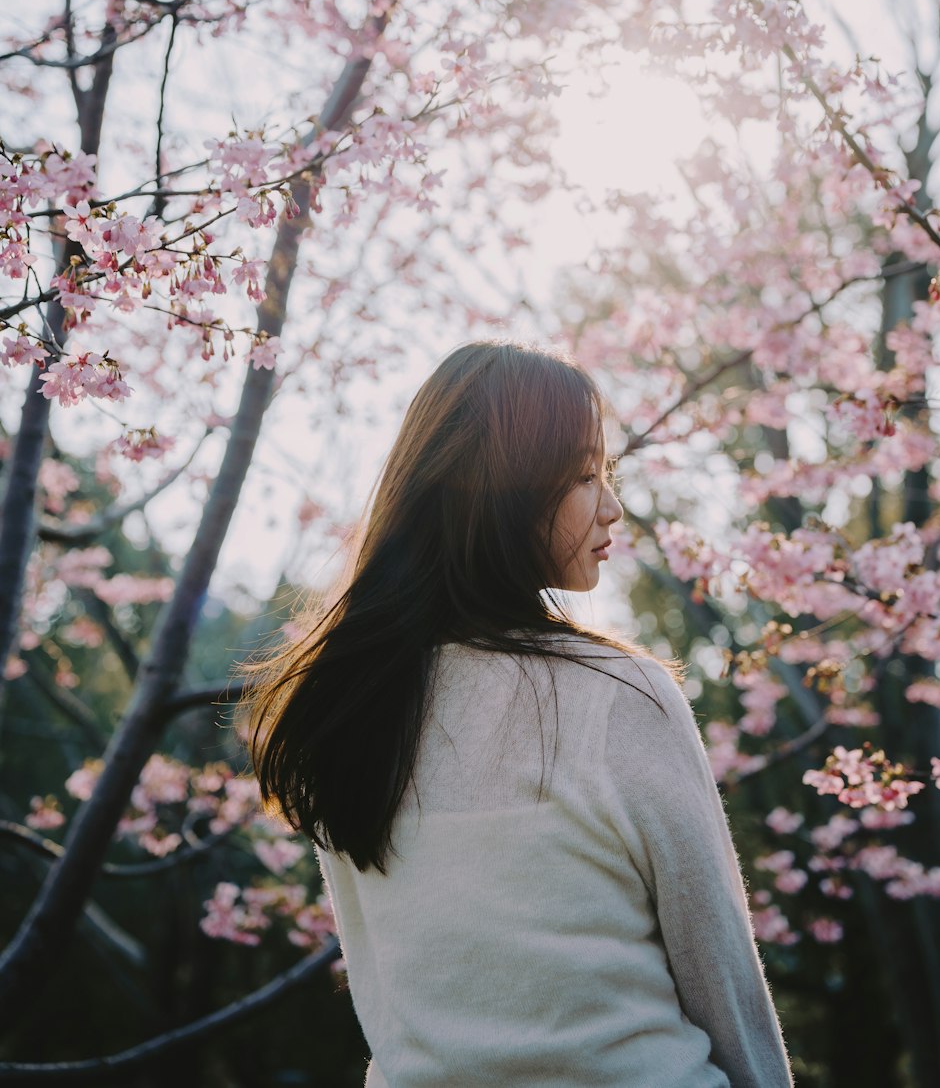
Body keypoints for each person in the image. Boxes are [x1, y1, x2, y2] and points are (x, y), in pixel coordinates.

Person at [244, 340, 794, 1087]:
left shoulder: (344, 707)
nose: (613, 506)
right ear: (504, 489)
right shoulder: (619, 694)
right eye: (583, 476)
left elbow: (388, 998)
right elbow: (719, 971)